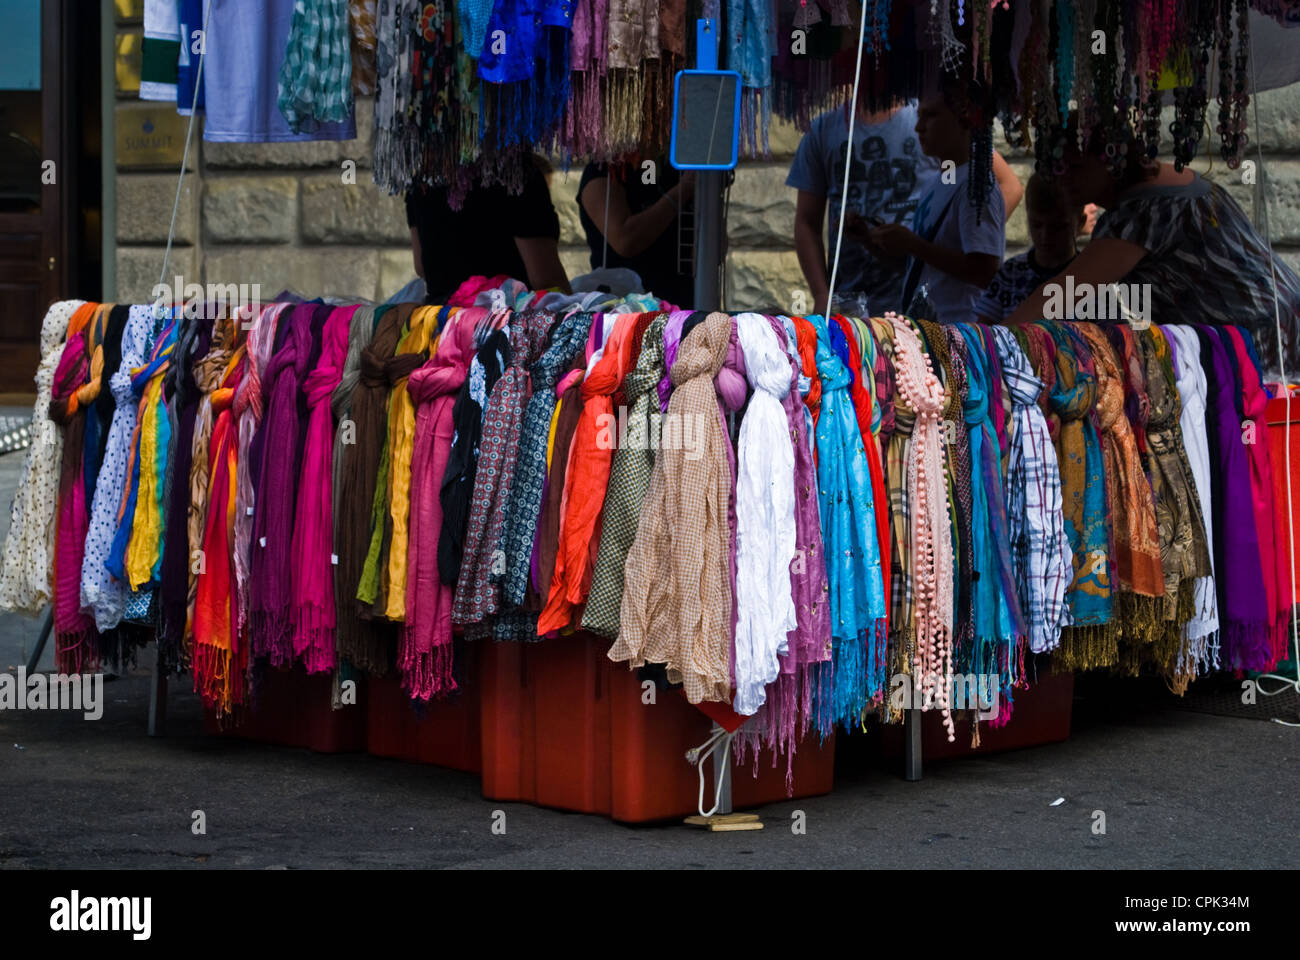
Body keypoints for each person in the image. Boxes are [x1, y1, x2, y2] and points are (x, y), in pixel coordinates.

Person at [1006, 124, 1300, 379]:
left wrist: (989, 345)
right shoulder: (1174, 180)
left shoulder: (1141, 213)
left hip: (1259, 341)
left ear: (1112, 160)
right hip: (1277, 319)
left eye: (1076, 167)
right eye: (1057, 167)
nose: (1063, 178)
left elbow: (1060, 294)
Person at [863, 84, 1007, 324]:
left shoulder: (975, 185)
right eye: (919, 116)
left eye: (930, 115)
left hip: (961, 333)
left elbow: (984, 271)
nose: (918, 127)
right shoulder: (934, 183)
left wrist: (913, 244)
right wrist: (870, 242)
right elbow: (922, 267)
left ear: (964, 120)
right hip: (928, 329)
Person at [406, 155, 570, 304]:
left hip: (443, 322)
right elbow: (545, 278)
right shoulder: (516, 174)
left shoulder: (423, 179)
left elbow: (421, 266)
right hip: (503, 320)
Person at [577, 156, 696, 307]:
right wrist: (683, 190)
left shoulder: (663, 168)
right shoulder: (604, 171)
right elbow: (625, 240)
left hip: (682, 304)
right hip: (627, 308)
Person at [975, 173, 1086, 324]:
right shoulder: (1011, 272)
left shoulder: (1091, 277)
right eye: (1036, 224)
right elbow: (984, 330)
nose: (1045, 235)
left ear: (1080, 222)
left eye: (1058, 227)